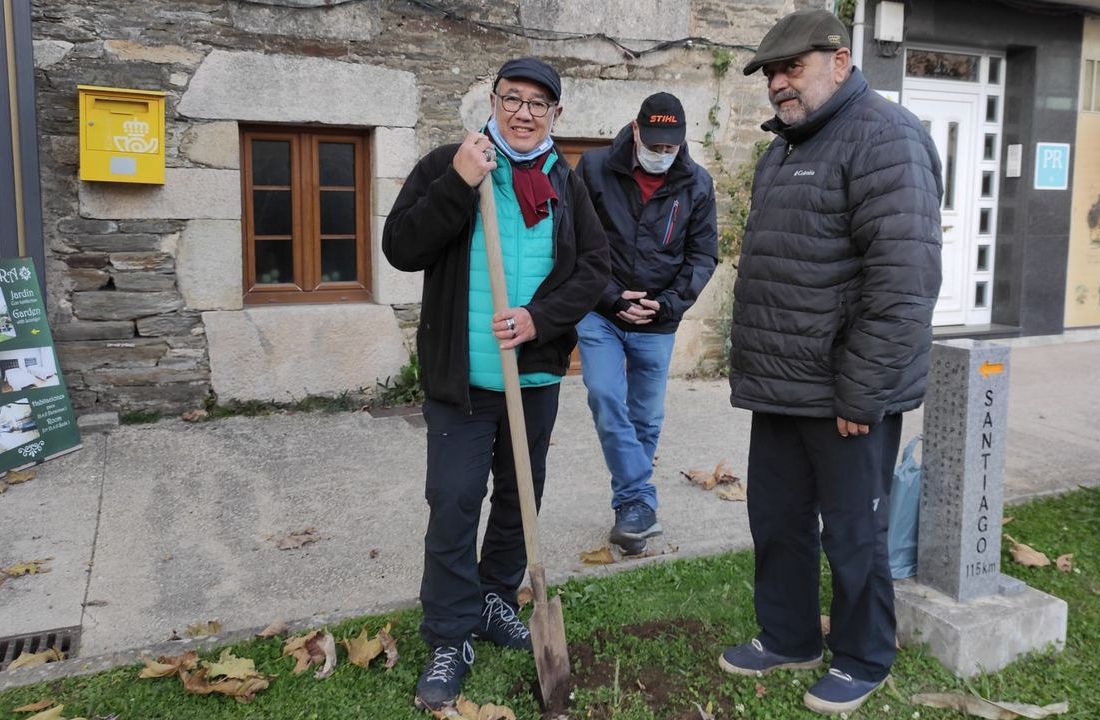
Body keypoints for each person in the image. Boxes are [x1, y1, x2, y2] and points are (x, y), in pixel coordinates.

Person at [718, 9, 943, 716]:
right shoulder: (784, 148)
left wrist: (862, 393)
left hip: (847, 394)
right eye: (770, 74)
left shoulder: (886, 136)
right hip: (783, 385)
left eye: (792, 68)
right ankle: (788, 636)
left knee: (853, 533)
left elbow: (903, 279)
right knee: (777, 521)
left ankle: (864, 655)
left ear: (839, 62)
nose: (779, 84)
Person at [382, 57, 609, 712]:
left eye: (540, 104)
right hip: (463, 378)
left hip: (532, 376)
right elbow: (401, 247)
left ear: (556, 115)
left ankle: (493, 596)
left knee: (520, 496)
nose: (525, 112)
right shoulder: (449, 163)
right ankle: (450, 635)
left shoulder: (566, 184)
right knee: (453, 499)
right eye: (514, 98)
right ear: (494, 99)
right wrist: (458, 185)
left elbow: (594, 268)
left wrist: (539, 317)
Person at [573, 93, 718, 554]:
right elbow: (573, 243)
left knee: (646, 419)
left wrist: (668, 304)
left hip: (658, 321)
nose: (661, 154)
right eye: (653, 144)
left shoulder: (698, 184)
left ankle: (628, 509)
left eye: (670, 147)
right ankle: (640, 501)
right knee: (604, 395)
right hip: (602, 315)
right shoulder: (594, 169)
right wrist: (611, 297)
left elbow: (702, 254)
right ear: (635, 130)